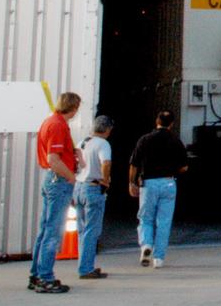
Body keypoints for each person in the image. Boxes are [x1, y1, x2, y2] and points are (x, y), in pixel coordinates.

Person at [29, 91, 82, 293]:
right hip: (58, 180)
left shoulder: (49, 122)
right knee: (53, 232)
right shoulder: (58, 126)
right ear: (74, 107)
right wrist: (71, 176)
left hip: (50, 178)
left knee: (45, 230)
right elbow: (54, 158)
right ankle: (46, 277)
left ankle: (37, 274)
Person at [129, 110, 189, 268]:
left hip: (149, 184)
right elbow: (184, 167)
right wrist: (172, 170)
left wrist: (132, 183)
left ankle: (146, 244)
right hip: (169, 183)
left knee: (145, 218)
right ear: (172, 124)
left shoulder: (145, 140)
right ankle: (159, 258)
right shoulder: (176, 141)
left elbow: (134, 164)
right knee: (164, 222)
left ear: (157, 121)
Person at [74, 115, 115, 279]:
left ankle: (84, 264)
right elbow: (106, 163)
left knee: (82, 229)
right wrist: (105, 181)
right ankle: (86, 268)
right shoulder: (103, 144)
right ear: (107, 129)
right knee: (92, 230)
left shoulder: (82, 142)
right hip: (93, 187)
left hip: (79, 186)